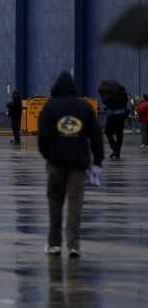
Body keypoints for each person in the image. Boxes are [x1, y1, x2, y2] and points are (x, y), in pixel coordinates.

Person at [37, 72, 104, 257]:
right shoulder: (84, 107)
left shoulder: (49, 108)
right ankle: (74, 245)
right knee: (75, 204)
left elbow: (42, 137)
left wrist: (48, 155)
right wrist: (98, 160)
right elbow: (96, 136)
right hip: (78, 164)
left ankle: (54, 244)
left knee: (55, 203)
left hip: (56, 163)